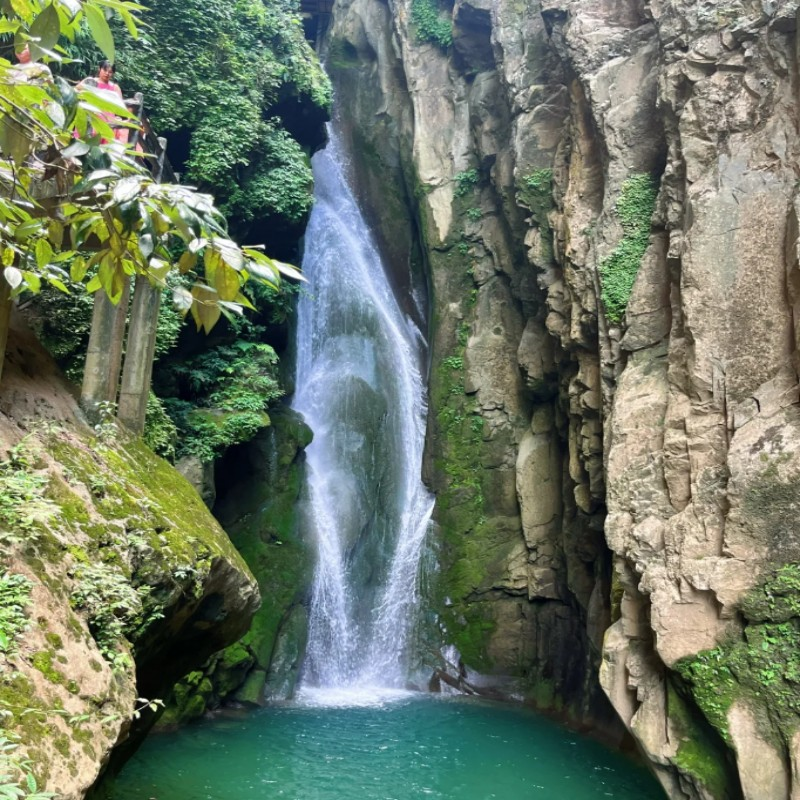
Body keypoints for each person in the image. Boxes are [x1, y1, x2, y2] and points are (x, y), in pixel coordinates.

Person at [78, 60, 129, 143]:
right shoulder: (90, 81)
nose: (107, 73)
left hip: (108, 119)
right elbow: (75, 91)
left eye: (110, 72)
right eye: (105, 70)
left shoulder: (115, 88)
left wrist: (119, 118)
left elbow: (121, 108)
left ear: (113, 74)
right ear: (99, 69)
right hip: (91, 116)